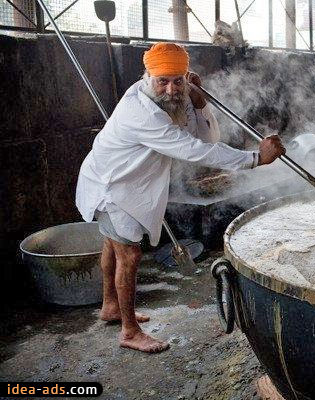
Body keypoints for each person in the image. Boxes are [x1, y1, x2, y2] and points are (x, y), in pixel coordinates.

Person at [75, 42, 285, 353]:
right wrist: (256, 158)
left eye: (178, 80)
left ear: (185, 76)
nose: (172, 89)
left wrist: (199, 102)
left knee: (113, 244)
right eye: (163, 81)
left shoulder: (176, 94)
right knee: (129, 255)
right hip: (112, 186)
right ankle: (129, 331)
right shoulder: (141, 110)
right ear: (148, 76)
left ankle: (110, 306)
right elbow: (196, 150)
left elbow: (205, 136)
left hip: (131, 183)